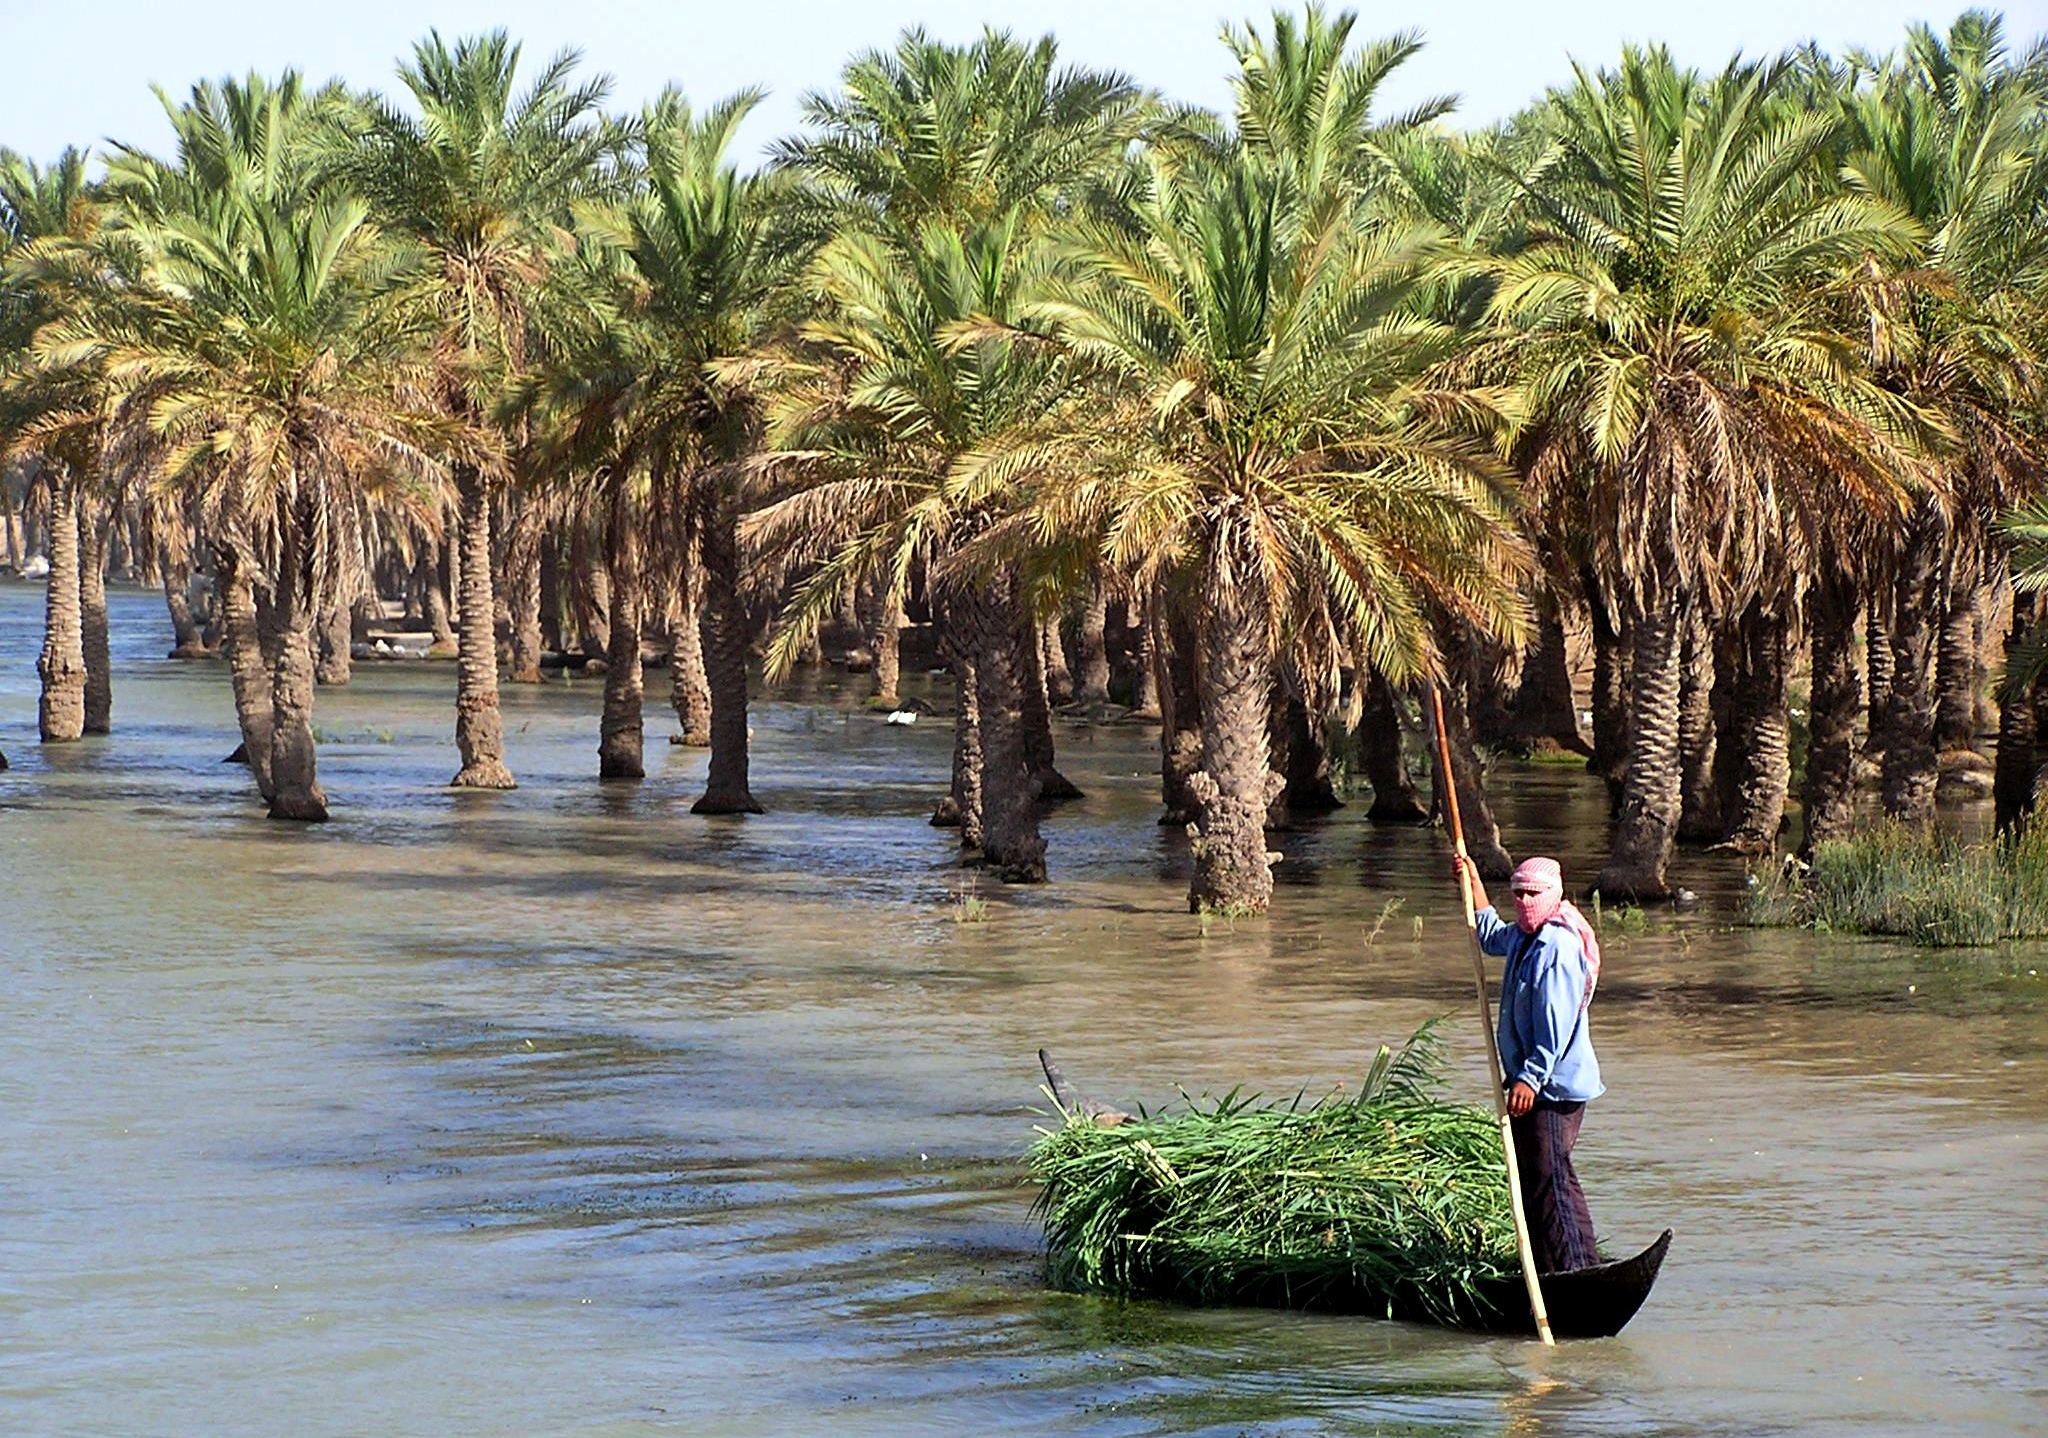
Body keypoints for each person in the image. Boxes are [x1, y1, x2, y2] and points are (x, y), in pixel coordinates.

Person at [1453, 853, 1604, 1274]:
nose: (1523, 901)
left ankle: (1578, 1269)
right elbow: (1487, 934)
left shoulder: (1556, 945)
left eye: (1531, 894)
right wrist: (1472, 878)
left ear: (1553, 895)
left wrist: (1529, 1080)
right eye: (1516, 893)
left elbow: (1552, 1029)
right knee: (1531, 1177)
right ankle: (1544, 1271)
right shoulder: (1523, 935)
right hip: (1529, 1085)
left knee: (1551, 1177)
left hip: (1552, 1088)